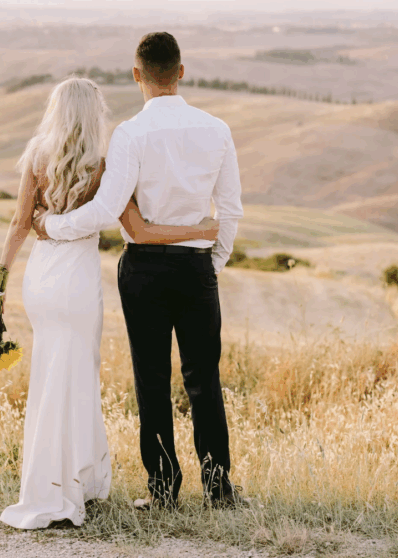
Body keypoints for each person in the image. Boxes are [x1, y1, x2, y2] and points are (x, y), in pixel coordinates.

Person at [0, 77, 220, 530]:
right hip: (75, 278)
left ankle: (47, 485)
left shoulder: (37, 156)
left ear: (56, 110)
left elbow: (19, 224)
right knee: (77, 375)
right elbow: (135, 224)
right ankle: (74, 485)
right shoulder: (103, 164)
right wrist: (202, 232)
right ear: (93, 113)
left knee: (49, 372)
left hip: (41, 277)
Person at [35, 32, 245, 509]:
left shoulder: (130, 133)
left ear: (137, 75)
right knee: (203, 379)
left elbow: (109, 209)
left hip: (144, 271)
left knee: (151, 379)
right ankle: (218, 490)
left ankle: (163, 492)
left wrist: (53, 225)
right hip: (196, 269)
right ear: (181, 72)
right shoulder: (217, 129)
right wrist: (210, 262)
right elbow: (229, 209)